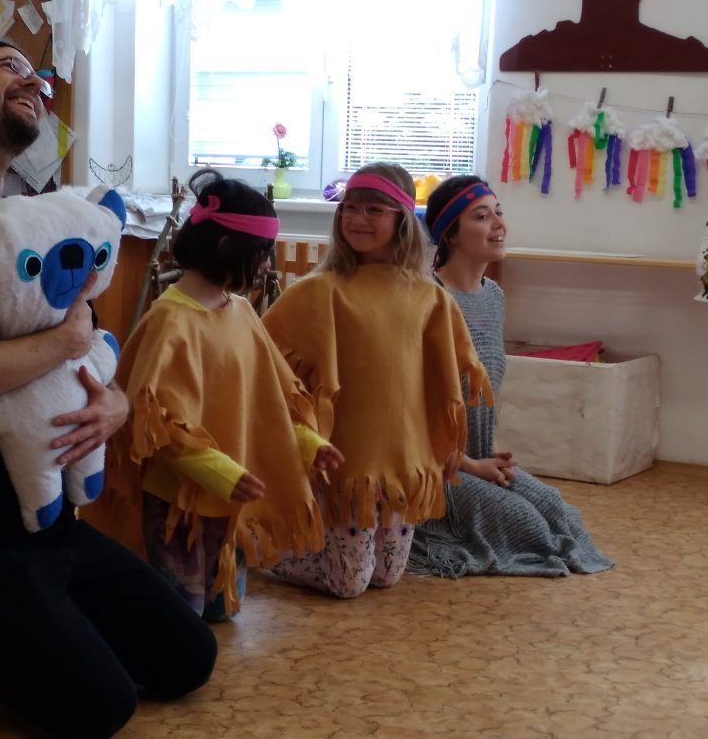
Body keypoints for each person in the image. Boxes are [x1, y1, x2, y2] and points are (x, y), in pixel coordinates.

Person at [0, 36, 216, 739]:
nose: (34, 82)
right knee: (98, 708)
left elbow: (88, 355)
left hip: (48, 527)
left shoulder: (38, 217)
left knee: (187, 659)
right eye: (11, 68)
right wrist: (66, 343)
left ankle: (11, 626)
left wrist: (113, 405)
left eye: (38, 74)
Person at [81, 168, 344, 620]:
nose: (266, 265)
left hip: (231, 496)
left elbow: (267, 403)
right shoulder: (171, 321)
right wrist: (222, 472)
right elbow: (158, 426)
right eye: (261, 254)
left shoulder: (240, 311)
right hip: (178, 499)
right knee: (180, 615)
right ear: (226, 247)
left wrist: (308, 443)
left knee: (221, 609)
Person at [260, 162, 493, 598]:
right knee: (348, 583)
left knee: (386, 575)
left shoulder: (428, 296)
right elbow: (262, 358)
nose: (358, 219)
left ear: (401, 218)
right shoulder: (320, 291)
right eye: (350, 208)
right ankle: (260, 549)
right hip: (345, 466)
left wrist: (445, 447)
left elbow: (442, 384)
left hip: (404, 461)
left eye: (373, 210)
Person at [407, 175, 614, 578]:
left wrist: (490, 456)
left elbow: (482, 394)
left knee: (556, 508)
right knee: (527, 525)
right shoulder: (428, 301)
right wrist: (470, 465)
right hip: (434, 467)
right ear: (449, 233)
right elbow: (410, 413)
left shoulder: (494, 296)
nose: (499, 224)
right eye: (482, 216)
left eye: (498, 213)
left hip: (478, 458)